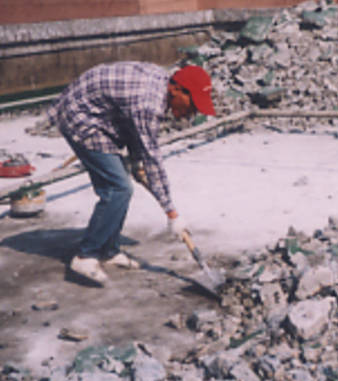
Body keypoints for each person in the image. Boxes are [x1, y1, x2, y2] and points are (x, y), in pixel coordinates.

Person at [46, 61, 216, 285]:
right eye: (192, 104)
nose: (192, 112)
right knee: (118, 188)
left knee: (120, 185)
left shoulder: (162, 86)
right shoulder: (149, 104)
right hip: (81, 116)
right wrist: (172, 213)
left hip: (104, 116)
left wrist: (138, 163)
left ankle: (109, 250)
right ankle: (86, 255)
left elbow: (135, 131)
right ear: (176, 89)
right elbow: (152, 158)